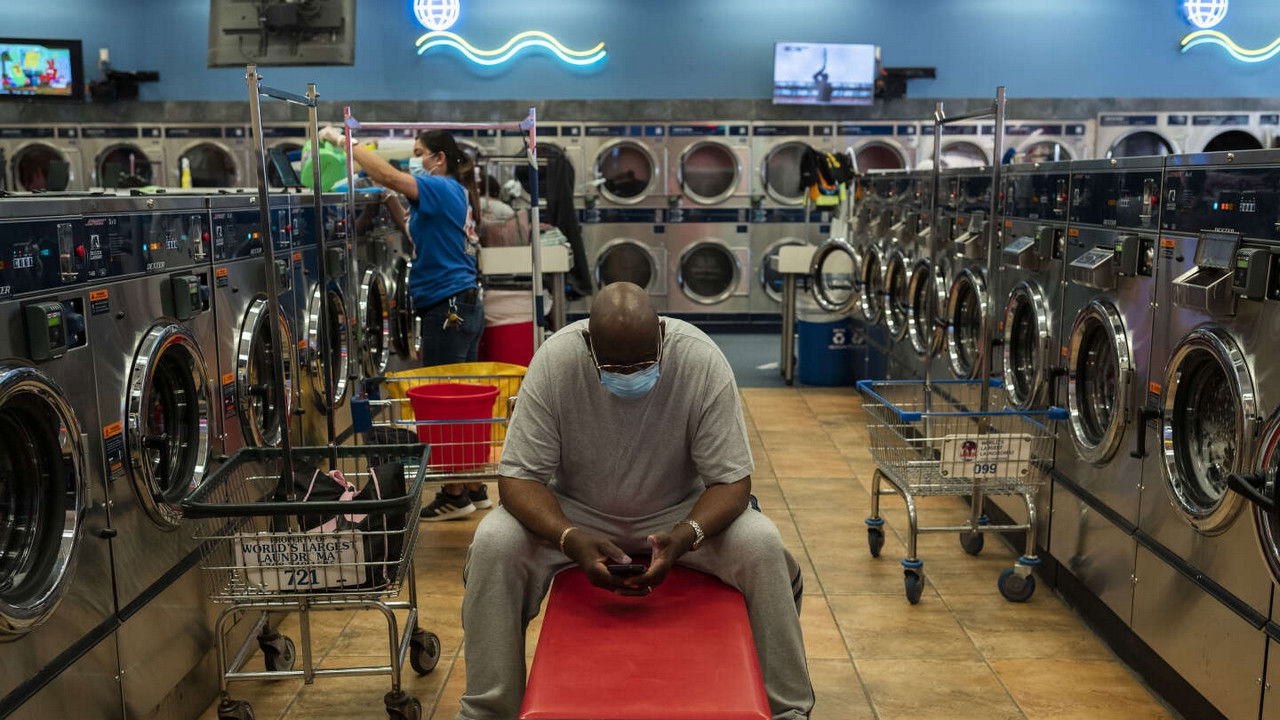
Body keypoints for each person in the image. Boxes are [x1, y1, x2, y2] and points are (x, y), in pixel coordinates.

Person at [455, 282, 815, 719]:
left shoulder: (699, 360)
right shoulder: (556, 361)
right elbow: (517, 479)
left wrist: (687, 535)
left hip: (679, 511)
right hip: (577, 514)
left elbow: (732, 483)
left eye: (643, 362)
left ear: (662, 335)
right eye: (612, 364)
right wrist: (568, 537)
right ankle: (489, 709)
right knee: (495, 542)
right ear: (588, 342)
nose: (629, 374)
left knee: (761, 544)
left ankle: (788, 709)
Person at [319, 125, 491, 520]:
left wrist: (344, 141)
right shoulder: (452, 193)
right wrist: (391, 201)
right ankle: (472, 485)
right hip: (461, 304)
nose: (416, 159)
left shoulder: (441, 187)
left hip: (448, 308)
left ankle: (454, 496)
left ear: (438, 158)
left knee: (443, 402)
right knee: (462, 400)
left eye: (419, 152)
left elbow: (388, 175)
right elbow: (415, 230)